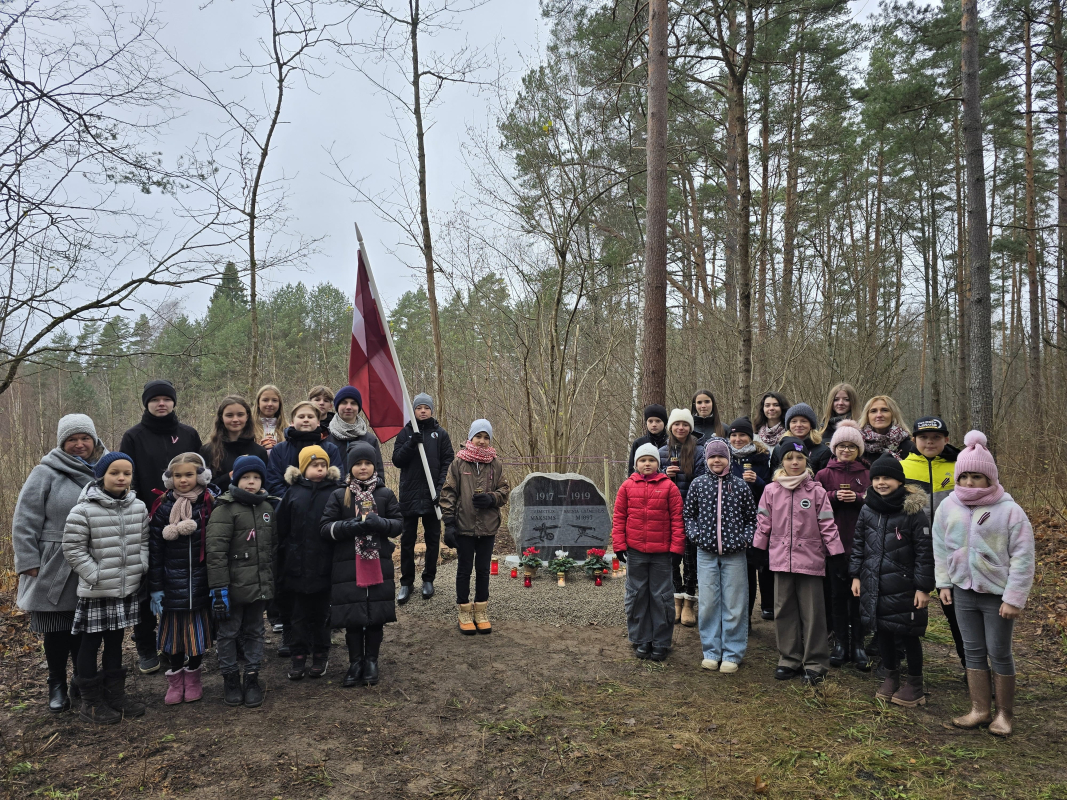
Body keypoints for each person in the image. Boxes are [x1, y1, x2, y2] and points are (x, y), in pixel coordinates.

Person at [934, 431, 1035, 737]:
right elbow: (940, 548)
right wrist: (944, 583)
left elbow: (1023, 557)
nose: (968, 483)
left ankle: (1004, 713)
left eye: (976, 477)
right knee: (972, 649)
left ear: (989, 478)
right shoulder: (948, 507)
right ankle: (979, 709)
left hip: (997, 596)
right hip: (962, 591)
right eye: (963, 476)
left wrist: (1014, 598)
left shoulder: (1009, 511)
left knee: (999, 651)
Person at [13, 415, 105, 712]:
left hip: (93, 559)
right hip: (53, 560)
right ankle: (56, 684)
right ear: (62, 443)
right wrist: (27, 560)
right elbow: (25, 519)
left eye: (84, 438)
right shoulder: (45, 472)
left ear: (94, 440)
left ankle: (82, 679)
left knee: (86, 627)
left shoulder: (105, 470)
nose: (79, 444)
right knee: (57, 628)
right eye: (72, 440)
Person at [119, 379, 202, 674]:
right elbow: (128, 478)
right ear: (146, 403)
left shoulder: (188, 434)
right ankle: (144, 644)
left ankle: (175, 645)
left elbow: (200, 473)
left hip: (188, 518)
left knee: (178, 582)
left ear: (174, 402)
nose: (161, 403)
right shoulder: (133, 436)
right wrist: (137, 511)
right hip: (147, 517)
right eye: (155, 400)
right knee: (148, 581)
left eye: (167, 399)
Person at [63, 452, 149, 725]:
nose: (121, 477)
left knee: (115, 641)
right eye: (114, 472)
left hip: (126, 587)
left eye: (127, 473)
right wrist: (95, 574)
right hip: (97, 589)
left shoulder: (138, 507)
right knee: (90, 643)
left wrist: (141, 566)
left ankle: (115, 695)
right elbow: (73, 549)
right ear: (101, 475)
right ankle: (90, 702)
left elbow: (145, 541)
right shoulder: (84, 509)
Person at [752, 437, 845, 685]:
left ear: (807, 461)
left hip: (811, 560)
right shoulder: (771, 490)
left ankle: (815, 662)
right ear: (782, 461)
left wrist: (836, 553)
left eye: (799, 458)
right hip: (781, 559)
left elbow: (827, 524)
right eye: (789, 458)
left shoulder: (816, 491)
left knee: (813, 612)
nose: (795, 462)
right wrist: (758, 549)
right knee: (784, 610)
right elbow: (763, 523)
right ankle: (789, 658)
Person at [850, 453, 933, 707]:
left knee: (908, 633)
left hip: (905, 586)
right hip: (873, 582)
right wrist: (856, 575)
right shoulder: (868, 508)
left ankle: (915, 684)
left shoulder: (914, 511)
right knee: (883, 630)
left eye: (887, 477)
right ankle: (891, 675)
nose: (881, 483)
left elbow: (924, 552)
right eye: (876, 478)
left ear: (899, 480)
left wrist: (923, 586)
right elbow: (858, 544)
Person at [321, 442, 403, 687]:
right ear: (350, 468)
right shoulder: (339, 495)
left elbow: (399, 525)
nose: (363, 467)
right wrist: (352, 526)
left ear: (375, 465)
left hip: (379, 563)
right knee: (353, 616)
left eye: (368, 463)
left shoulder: (385, 494)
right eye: (358, 463)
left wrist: (379, 523)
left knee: (375, 614)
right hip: (348, 566)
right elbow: (325, 528)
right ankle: (355, 662)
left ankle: (371, 661)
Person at [206, 455, 276, 709]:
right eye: (246, 477)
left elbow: (272, 549)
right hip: (231, 589)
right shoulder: (224, 508)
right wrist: (218, 589)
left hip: (259, 586)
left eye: (256, 478)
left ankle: (252, 677)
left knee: (256, 631)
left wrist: (270, 583)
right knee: (228, 633)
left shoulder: (268, 508)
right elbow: (215, 553)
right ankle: (230, 678)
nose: (251, 482)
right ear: (236, 478)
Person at [149, 453, 218, 705]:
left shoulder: (209, 504)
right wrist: (155, 588)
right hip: (172, 585)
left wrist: (217, 583)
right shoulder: (162, 506)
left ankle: (194, 679)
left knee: (197, 637)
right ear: (170, 479)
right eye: (177, 475)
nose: (183, 480)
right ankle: (176, 681)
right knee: (174, 638)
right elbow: (155, 551)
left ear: (201, 476)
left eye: (189, 474)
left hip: (201, 583)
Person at [684, 439, 757, 673]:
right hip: (705, 553)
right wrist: (696, 537)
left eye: (721, 456)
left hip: (735, 554)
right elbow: (689, 515)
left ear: (728, 459)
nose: (717, 460)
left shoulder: (740, 486)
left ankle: (732, 653)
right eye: (713, 456)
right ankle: (711, 652)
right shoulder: (698, 485)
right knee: (708, 604)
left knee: (734, 603)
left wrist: (744, 539)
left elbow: (752, 519)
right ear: (706, 459)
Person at [901, 416, 967, 675]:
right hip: (912, 551)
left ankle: (972, 667)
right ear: (914, 440)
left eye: (936, 438)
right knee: (905, 607)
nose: (930, 442)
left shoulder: (960, 466)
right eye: (924, 438)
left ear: (946, 439)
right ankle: (897, 664)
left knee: (957, 612)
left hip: (951, 550)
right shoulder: (903, 468)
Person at [612, 443, 684, 662]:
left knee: (661, 597)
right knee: (636, 595)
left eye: (651, 460)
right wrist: (619, 545)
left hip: (661, 554)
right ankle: (641, 638)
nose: (647, 464)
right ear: (636, 464)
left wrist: (677, 549)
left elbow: (677, 520)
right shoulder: (626, 487)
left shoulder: (669, 487)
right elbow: (619, 518)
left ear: (658, 463)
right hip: (636, 552)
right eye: (642, 460)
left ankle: (661, 641)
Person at [277, 445, 342, 680]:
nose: (320, 469)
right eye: (315, 466)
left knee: (322, 614)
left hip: (324, 565)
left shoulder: (335, 492)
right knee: (298, 615)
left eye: (323, 465)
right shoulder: (293, 493)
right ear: (304, 469)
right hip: (297, 566)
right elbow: (280, 526)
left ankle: (321, 654)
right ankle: (298, 656)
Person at [440, 420, 510, 636]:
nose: (482, 441)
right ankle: (463, 611)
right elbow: (448, 492)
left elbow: (505, 490)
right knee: (464, 569)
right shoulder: (458, 463)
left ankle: (480, 610)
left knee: (483, 569)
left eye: (486, 437)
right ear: (470, 438)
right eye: (478, 436)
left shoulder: (495, 464)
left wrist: (491, 498)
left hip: (488, 527)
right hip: (464, 526)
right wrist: (449, 523)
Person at [814, 420, 871, 670]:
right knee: (836, 595)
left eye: (851, 446)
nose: (846, 450)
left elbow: (877, 500)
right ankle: (839, 642)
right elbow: (814, 501)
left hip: (862, 546)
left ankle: (858, 643)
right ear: (833, 448)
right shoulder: (824, 474)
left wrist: (858, 499)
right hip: (832, 545)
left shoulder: (867, 473)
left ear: (858, 449)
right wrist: (833, 496)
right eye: (841, 446)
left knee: (858, 597)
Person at [392, 393, 454, 604]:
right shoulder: (405, 433)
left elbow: (448, 462)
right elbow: (397, 460)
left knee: (432, 539)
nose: (423, 411)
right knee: (407, 540)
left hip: (432, 496)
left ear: (432, 410)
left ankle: (429, 579)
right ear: (414, 411)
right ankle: (406, 582)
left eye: (427, 407)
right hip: (409, 496)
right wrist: (411, 444)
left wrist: (440, 489)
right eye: (419, 408)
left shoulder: (441, 434)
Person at [659, 408, 707, 628]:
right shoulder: (660, 452)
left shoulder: (699, 451)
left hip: (691, 513)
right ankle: (676, 598)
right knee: (671, 560)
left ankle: (689, 602)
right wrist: (663, 476)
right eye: (677, 424)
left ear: (690, 428)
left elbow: (701, 482)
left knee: (690, 560)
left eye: (685, 424)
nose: (681, 428)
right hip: (666, 515)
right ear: (671, 427)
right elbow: (651, 482)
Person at [724, 417, 773, 621]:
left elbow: (772, 490)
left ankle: (764, 609)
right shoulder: (724, 457)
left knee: (758, 565)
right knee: (741, 572)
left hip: (759, 520)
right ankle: (742, 617)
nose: (737, 439)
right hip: (733, 521)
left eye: (742, 435)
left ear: (750, 437)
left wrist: (758, 481)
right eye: (733, 435)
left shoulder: (761, 458)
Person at [265, 401, 343, 499]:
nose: (306, 420)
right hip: (289, 506)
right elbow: (274, 483)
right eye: (301, 417)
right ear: (292, 422)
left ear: (318, 422)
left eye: (310, 417)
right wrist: (291, 503)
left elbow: (337, 482)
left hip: (324, 507)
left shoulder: (331, 449)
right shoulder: (280, 450)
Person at [201, 395, 269, 494]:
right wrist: (232, 475)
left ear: (247, 416)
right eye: (229, 415)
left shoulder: (259, 452)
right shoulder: (208, 450)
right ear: (221, 417)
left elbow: (264, 486)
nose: (235, 419)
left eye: (240, 415)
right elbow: (205, 486)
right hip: (219, 507)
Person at [325, 386, 385, 482]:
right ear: (337, 406)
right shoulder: (326, 437)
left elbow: (379, 476)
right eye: (344, 402)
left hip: (363, 495)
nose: (348, 407)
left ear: (358, 407)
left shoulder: (370, 439)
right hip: (332, 494)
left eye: (353, 403)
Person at [768, 403, 832, 475]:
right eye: (794, 421)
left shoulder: (823, 451)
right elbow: (773, 477)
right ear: (789, 425)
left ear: (811, 425)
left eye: (803, 421)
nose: (798, 425)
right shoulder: (779, 449)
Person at [858, 395, 911, 463]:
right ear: (867, 416)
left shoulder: (907, 446)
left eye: (884, 410)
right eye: (873, 411)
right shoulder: (859, 446)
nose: (879, 415)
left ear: (893, 415)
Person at [627, 404, 669, 475]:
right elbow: (632, 470)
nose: (654, 424)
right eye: (650, 421)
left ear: (664, 422)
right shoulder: (639, 443)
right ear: (646, 422)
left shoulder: (671, 442)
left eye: (658, 421)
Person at [252, 384, 286, 452]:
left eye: (274, 400)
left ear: (279, 404)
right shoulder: (249, 427)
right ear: (258, 403)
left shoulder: (287, 429)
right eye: (265, 400)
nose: (270, 404)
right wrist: (259, 449)